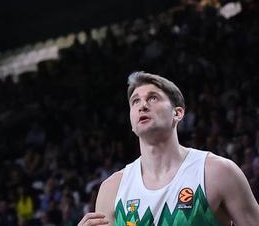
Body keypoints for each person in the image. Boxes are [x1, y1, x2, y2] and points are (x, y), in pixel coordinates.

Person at [78, 71, 259, 226]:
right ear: (132, 122)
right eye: (135, 101)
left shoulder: (218, 172)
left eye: (153, 98)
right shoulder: (112, 189)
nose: (143, 105)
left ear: (178, 113)